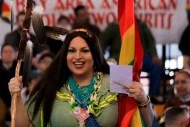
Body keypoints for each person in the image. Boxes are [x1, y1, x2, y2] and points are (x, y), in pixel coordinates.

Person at [8, 28, 154, 126]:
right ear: (64, 55)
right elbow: (23, 124)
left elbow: (145, 123)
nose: (77, 57)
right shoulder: (52, 84)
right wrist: (16, 96)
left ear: (95, 54)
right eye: (71, 51)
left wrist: (143, 100)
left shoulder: (118, 78)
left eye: (85, 50)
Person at [100, 19, 163, 102]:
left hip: (139, 58)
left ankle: (152, 96)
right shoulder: (114, 26)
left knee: (155, 67)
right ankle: (118, 100)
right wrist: (100, 58)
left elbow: (150, 41)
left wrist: (154, 55)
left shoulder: (140, 24)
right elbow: (102, 42)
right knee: (116, 68)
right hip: (118, 57)